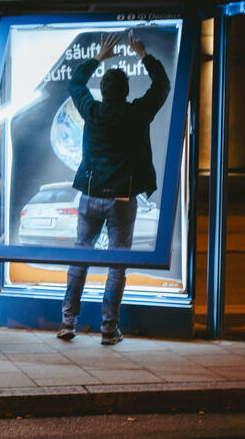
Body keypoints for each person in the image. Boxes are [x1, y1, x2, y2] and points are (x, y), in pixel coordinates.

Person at [57, 30, 171, 345]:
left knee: (80, 258)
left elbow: (75, 85)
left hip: (91, 196)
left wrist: (97, 58)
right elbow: (162, 86)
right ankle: (109, 330)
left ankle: (68, 323)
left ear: (104, 92)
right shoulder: (137, 113)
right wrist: (142, 54)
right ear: (125, 91)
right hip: (123, 199)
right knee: (117, 266)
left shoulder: (92, 112)